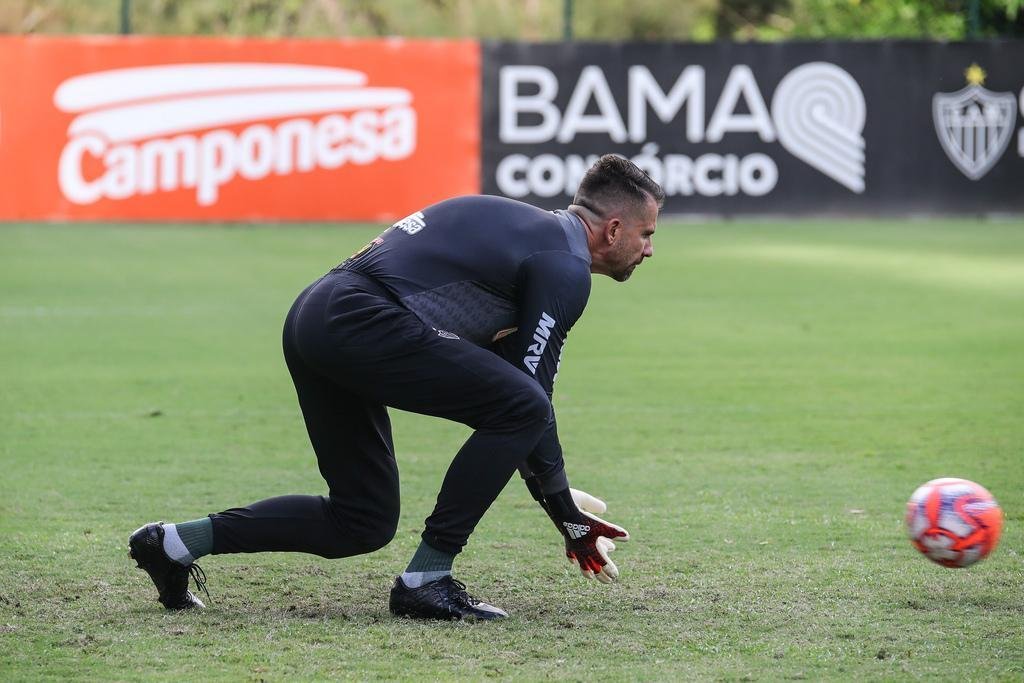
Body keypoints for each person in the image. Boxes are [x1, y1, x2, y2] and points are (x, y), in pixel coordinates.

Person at [128, 154, 663, 620]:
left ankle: (173, 543)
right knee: (523, 405)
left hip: (316, 315)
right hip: (359, 319)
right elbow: (529, 401)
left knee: (361, 521)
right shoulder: (563, 266)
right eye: (647, 235)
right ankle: (426, 581)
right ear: (613, 230)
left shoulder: (523, 232)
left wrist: (558, 501)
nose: (649, 250)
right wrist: (565, 516)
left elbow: (516, 398)